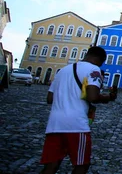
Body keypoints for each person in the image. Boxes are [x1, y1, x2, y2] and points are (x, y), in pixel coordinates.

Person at [40, 46, 117, 174]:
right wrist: (108, 97)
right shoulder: (94, 69)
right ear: (100, 60)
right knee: (81, 165)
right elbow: (92, 96)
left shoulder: (63, 71)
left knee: (51, 166)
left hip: (54, 124)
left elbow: (50, 98)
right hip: (76, 126)